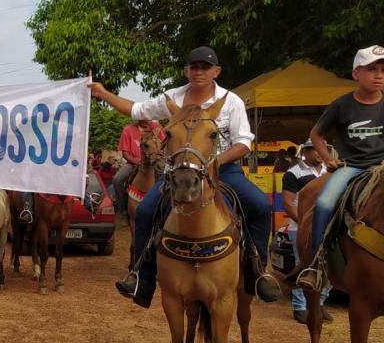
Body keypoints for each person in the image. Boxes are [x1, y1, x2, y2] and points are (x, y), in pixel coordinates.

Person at [89, 46, 282, 307]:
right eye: (194, 67)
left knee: (259, 205)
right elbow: (136, 110)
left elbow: (243, 143)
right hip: (177, 173)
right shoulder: (172, 98)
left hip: (223, 171)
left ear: (216, 71)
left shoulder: (232, 102)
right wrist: (102, 93)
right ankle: (141, 278)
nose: (199, 72)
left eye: (205, 67)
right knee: (145, 212)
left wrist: (215, 163)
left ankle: (257, 272)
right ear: (186, 71)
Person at [297, 44, 384, 290]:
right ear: (356, 73)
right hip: (352, 167)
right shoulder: (341, 105)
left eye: (383, 70)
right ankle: (316, 264)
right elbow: (316, 134)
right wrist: (328, 159)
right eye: (372, 69)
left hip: (382, 167)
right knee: (324, 203)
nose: (379, 75)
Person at [281, 140, 330, 323]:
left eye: (323, 150)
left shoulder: (330, 171)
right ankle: (300, 306)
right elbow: (288, 203)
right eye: (316, 150)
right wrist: (305, 225)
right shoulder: (294, 173)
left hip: (328, 225)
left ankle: (321, 303)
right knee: (303, 263)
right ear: (306, 152)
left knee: (328, 264)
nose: (320, 153)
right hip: (300, 227)